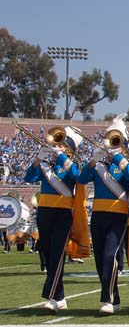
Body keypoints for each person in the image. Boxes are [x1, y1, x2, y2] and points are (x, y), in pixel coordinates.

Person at [77, 117, 129, 314]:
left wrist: (117, 157)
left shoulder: (127, 163)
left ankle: (107, 300)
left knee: (110, 256)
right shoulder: (99, 166)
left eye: (117, 143)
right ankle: (114, 297)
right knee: (100, 260)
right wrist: (93, 161)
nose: (113, 146)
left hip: (118, 216)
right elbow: (82, 179)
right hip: (98, 215)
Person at [24, 127, 83, 312]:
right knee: (48, 254)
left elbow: (78, 177)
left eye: (61, 145)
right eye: (56, 144)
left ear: (69, 149)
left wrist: (63, 158)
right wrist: (38, 159)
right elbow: (29, 178)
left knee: (57, 254)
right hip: (45, 212)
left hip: (63, 213)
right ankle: (60, 297)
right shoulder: (45, 165)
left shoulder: (72, 164)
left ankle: (51, 295)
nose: (56, 147)